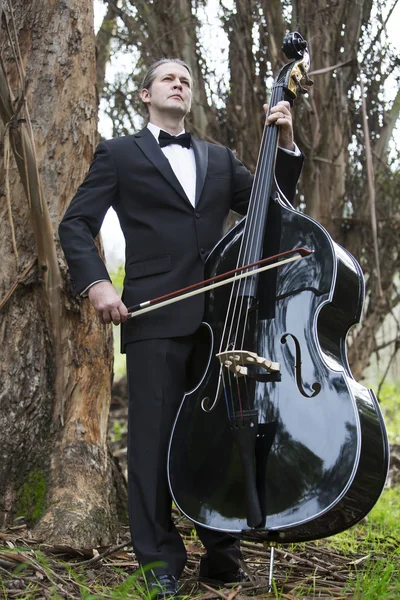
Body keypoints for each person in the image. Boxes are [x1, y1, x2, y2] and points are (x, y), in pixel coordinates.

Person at [59, 58, 303, 599]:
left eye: (186, 79)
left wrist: (283, 146)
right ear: (146, 94)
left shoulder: (219, 158)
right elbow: (76, 224)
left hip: (221, 321)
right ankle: (160, 565)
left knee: (216, 438)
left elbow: (272, 210)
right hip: (154, 316)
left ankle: (222, 554)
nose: (180, 84)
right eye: (169, 78)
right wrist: (97, 284)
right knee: (152, 443)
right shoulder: (119, 153)